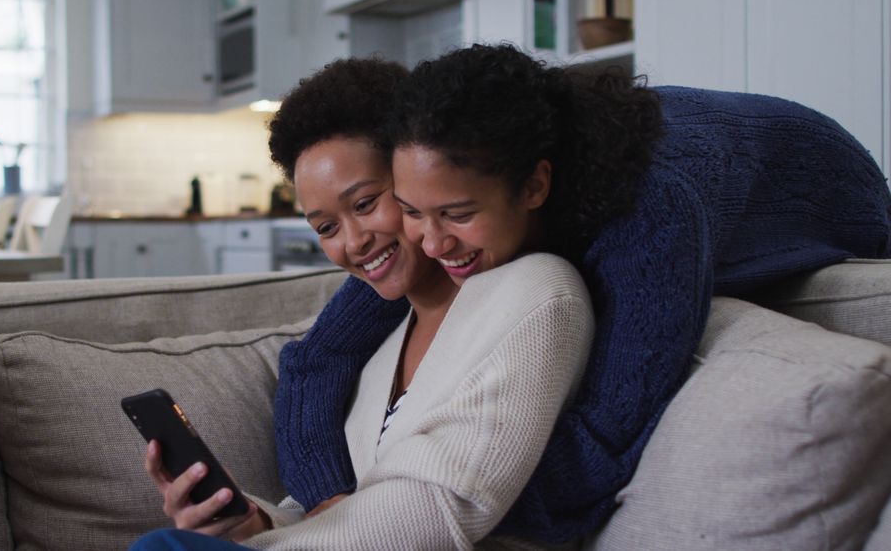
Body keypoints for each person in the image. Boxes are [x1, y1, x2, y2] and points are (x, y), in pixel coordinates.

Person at [274, 44, 891, 545]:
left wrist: (407, 515)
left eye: (453, 214)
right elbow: (316, 359)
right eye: (408, 210)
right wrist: (333, 504)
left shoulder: (649, 216)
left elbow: (603, 441)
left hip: (828, 186)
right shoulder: (438, 212)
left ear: (535, 185)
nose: (429, 243)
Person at [131, 57, 595, 550]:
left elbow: (442, 506)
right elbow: (347, 514)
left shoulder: (535, 293)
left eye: (366, 203)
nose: (353, 242)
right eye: (326, 227)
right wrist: (251, 527)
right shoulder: (381, 348)